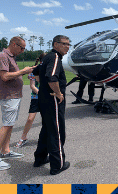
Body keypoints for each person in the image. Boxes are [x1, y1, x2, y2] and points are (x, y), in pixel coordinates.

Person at [32, 35, 71, 174]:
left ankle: (40, 158)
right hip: (52, 99)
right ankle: (57, 165)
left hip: (43, 98)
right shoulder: (54, 57)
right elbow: (51, 77)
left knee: (47, 129)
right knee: (57, 131)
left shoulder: (47, 58)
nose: (68, 46)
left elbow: (35, 72)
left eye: (69, 44)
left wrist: (43, 87)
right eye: (65, 44)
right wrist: (58, 93)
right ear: (56, 44)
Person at [0, 37, 37, 168]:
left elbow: (13, 74)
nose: (23, 51)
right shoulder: (3, 56)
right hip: (9, 96)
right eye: (22, 48)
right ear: (14, 44)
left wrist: (24, 72)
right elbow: (4, 76)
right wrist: (22, 71)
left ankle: (5, 151)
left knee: (9, 125)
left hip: (14, 96)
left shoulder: (11, 57)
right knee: (7, 125)